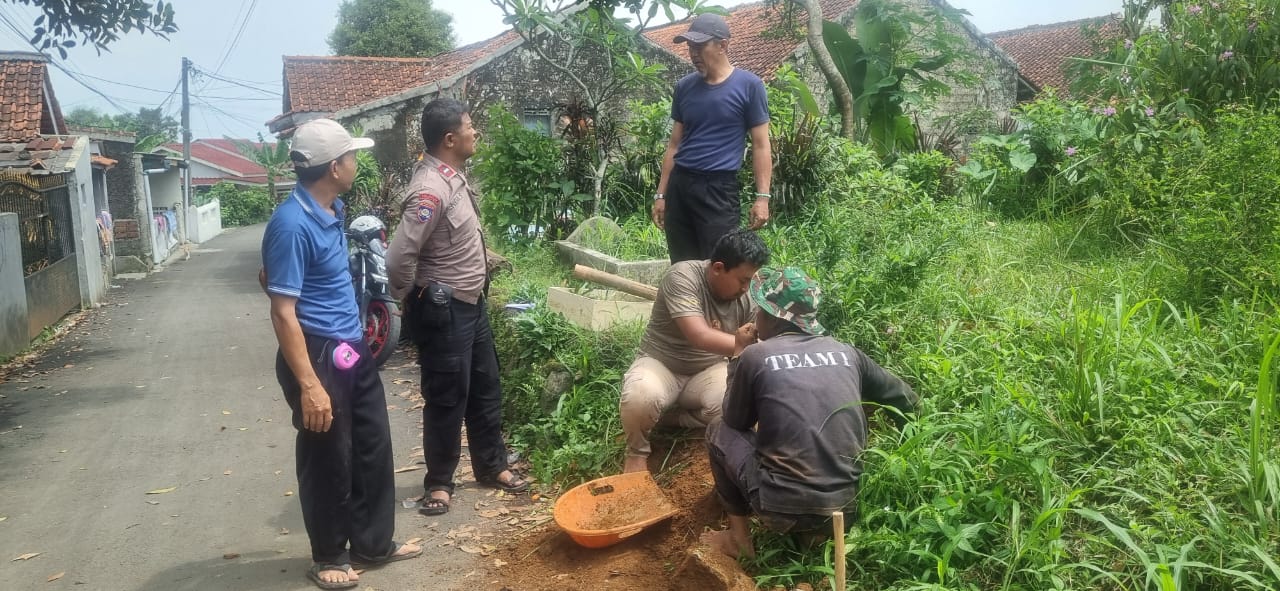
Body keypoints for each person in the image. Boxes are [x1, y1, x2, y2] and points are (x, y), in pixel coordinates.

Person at [260, 118, 421, 590]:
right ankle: (329, 553)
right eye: (352, 156)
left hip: (351, 346)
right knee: (328, 453)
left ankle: (373, 544)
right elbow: (282, 314)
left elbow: (271, 277)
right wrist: (309, 383)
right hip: (317, 354)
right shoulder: (290, 224)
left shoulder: (332, 209)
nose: (356, 163)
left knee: (371, 444)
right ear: (334, 167)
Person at [702, 267, 918, 559]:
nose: (755, 317)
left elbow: (735, 420)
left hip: (779, 506)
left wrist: (738, 355)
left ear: (773, 317)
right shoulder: (847, 352)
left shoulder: (756, 356)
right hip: (847, 507)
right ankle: (814, 536)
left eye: (760, 310)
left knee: (718, 428)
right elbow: (907, 400)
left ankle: (739, 540)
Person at [386, 97, 528, 518]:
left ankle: (492, 466)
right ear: (450, 139)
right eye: (469, 126)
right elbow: (398, 259)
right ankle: (440, 483)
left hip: (471, 303)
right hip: (445, 311)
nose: (475, 131)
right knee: (448, 397)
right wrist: (413, 298)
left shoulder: (453, 177)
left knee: (485, 387)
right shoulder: (430, 190)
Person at [619, 228, 770, 474]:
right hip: (661, 364)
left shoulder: (748, 294)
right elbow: (698, 335)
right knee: (640, 395)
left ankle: (671, 419)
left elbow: (761, 338)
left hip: (709, 369)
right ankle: (637, 452)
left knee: (736, 405)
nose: (747, 287)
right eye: (743, 280)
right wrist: (746, 345)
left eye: (751, 280)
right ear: (718, 268)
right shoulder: (682, 276)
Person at [652, 12, 773, 263]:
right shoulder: (684, 87)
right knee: (683, 266)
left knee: (718, 265)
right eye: (690, 47)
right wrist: (661, 195)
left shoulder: (749, 86)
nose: (693, 53)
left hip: (718, 191)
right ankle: (687, 304)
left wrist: (763, 197)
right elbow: (674, 145)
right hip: (681, 186)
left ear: (723, 45)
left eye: (699, 46)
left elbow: (761, 145)